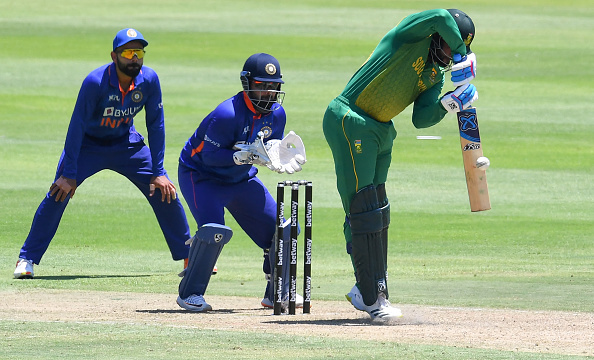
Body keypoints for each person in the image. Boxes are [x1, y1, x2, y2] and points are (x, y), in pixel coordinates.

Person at [322, 9, 478, 321]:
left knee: (375, 208)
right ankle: (371, 296)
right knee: (362, 207)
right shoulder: (410, 35)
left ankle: (365, 287)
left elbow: (421, 118)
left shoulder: (436, 74)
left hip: (380, 129)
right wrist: (462, 53)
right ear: (439, 38)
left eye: (457, 51)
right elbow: (440, 15)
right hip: (350, 118)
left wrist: (451, 102)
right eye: (449, 46)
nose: (450, 55)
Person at [13, 28, 192, 279]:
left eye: (138, 52)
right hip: (88, 146)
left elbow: (156, 125)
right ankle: (27, 258)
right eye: (128, 52)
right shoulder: (95, 82)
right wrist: (70, 172)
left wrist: (158, 172)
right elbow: (77, 127)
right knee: (59, 192)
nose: (134, 58)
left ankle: (189, 257)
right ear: (114, 56)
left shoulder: (149, 80)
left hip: (126, 144)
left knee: (164, 189)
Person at [175, 53, 307, 312]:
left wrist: (274, 158)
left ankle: (277, 292)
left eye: (273, 86)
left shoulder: (277, 115)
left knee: (285, 230)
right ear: (247, 84)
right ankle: (190, 294)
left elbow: (269, 147)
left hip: (241, 179)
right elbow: (208, 156)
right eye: (261, 85)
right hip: (201, 176)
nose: (268, 93)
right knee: (214, 231)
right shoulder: (226, 114)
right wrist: (242, 156)